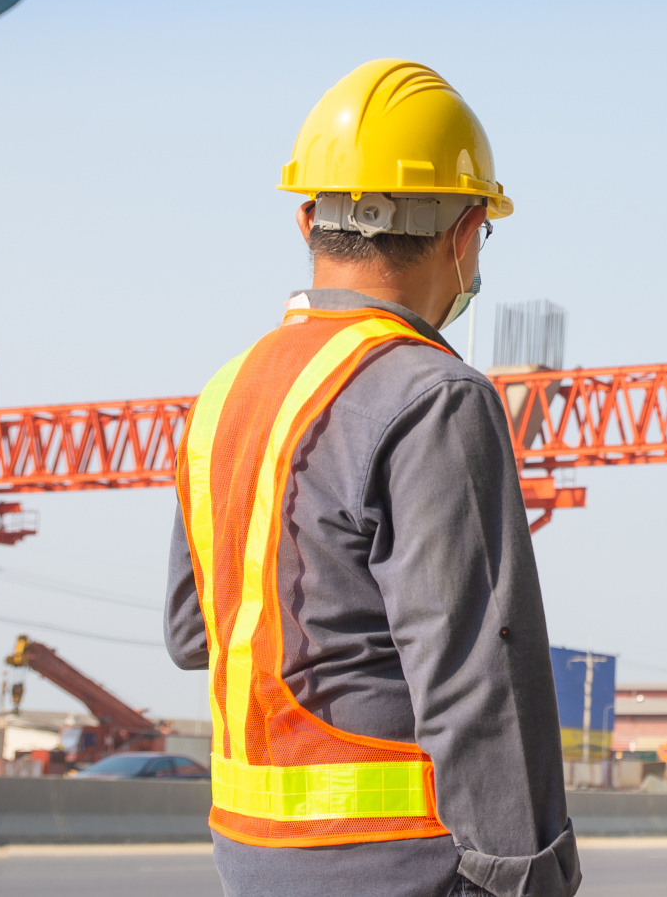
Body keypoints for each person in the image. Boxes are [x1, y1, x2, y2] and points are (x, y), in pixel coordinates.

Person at [164, 60, 580, 897]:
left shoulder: (228, 390)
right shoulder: (434, 395)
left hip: (250, 854)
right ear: (465, 235)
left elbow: (192, 632)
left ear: (308, 218)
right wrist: (531, 877)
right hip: (403, 861)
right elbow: (478, 678)